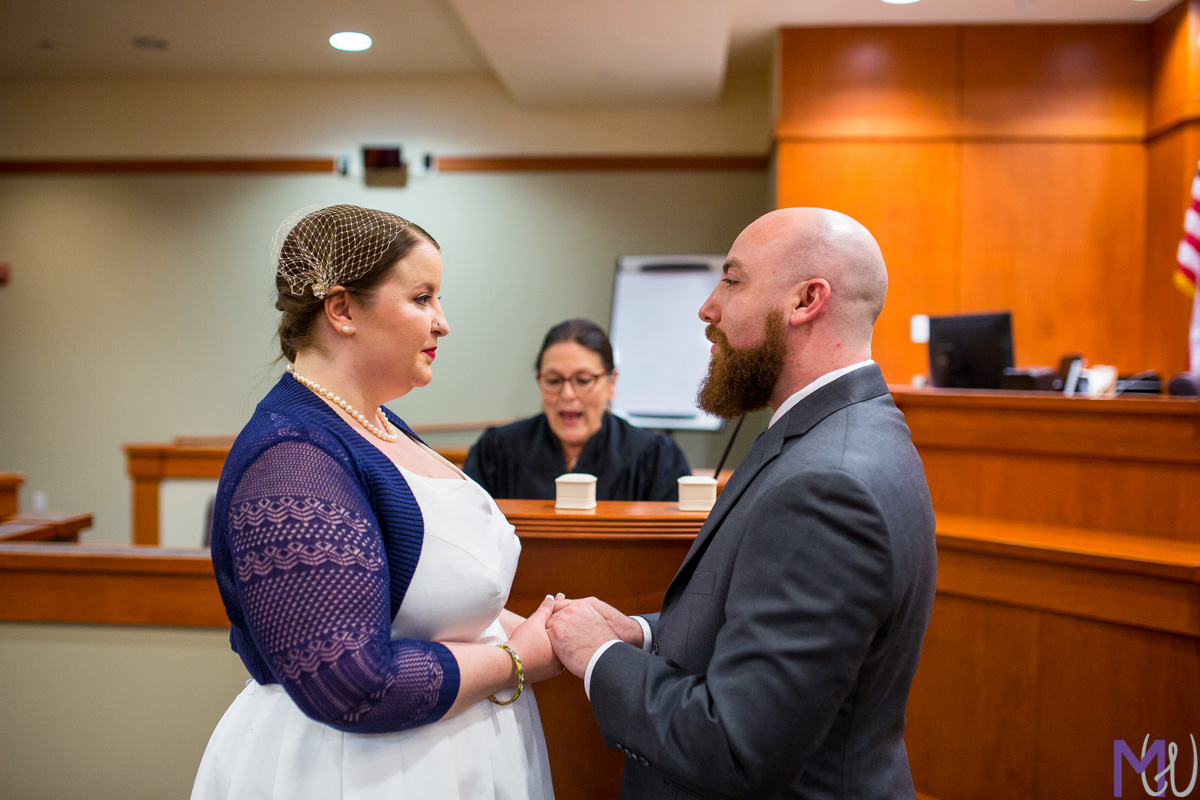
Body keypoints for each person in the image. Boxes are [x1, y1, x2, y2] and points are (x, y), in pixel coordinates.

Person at [544, 208, 938, 799]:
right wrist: (642, 636)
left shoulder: (829, 483)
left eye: (732, 281)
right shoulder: (835, 432)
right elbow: (760, 625)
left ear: (807, 300)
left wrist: (598, 655)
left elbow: (733, 746)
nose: (708, 307)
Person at [192, 205, 561, 799]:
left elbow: (423, 601)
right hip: (355, 772)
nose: (442, 323)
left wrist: (551, 628)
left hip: (445, 755)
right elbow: (350, 683)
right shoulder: (291, 459)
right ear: (341, 310)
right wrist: (517, 660)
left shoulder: (378, 424)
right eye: (422, 298)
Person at [463, 318, 691, 501]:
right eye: (553, 381)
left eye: (582, 380)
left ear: (612, 383)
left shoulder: (656, 458)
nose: (567, 395)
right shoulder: (496, 452)